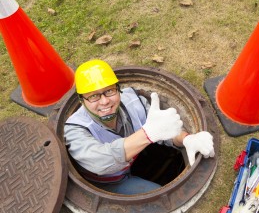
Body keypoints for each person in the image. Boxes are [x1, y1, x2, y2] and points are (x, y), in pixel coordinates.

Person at [64, 59, 215, 195]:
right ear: (82, 100)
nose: (104, 102)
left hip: (133, 163)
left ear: (118, 89)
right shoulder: (75, 129)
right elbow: (99, 162)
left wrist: (187, 138)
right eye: (93, 96)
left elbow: (164, 130)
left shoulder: (134, 102)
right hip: (110, 182)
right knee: (158, 197)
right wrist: (147, 135)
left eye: (109, 91)